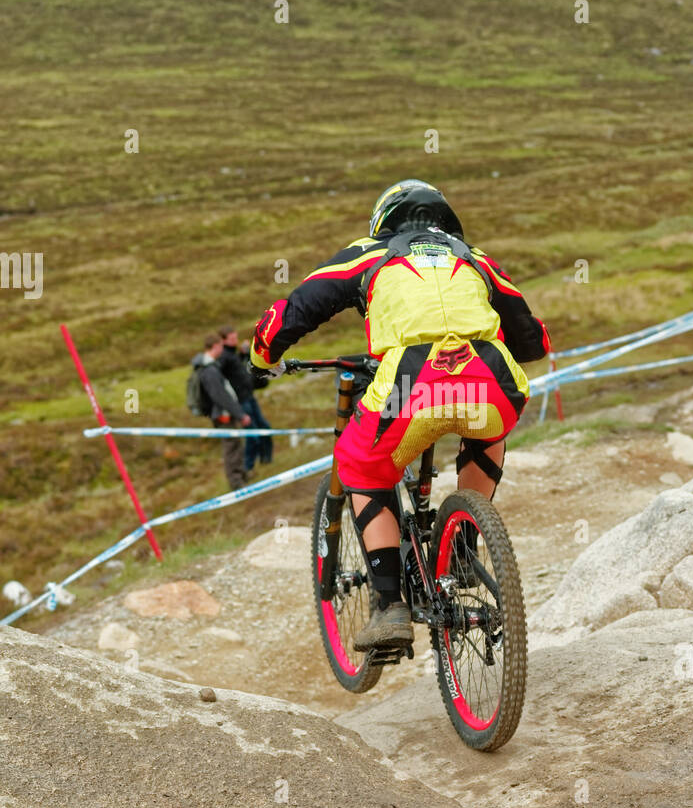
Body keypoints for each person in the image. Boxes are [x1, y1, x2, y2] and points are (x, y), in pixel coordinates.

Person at [249, 179, 550, 651]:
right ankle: (464, 547)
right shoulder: (476, 258)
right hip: (493, 375)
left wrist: (261, 360)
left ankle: (390, 605)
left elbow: (295, 310)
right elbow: (532, 342)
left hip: (412, 380)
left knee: (359, 463)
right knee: (490, 426)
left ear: (384, 219)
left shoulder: (370, 254)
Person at [198, 333, 251, 490]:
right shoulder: (209, 371)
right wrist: (240, 414)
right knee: (231, 447)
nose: (223, 349)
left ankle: (241, 475)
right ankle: (236, 482)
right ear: (215, 347)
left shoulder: (211, 366)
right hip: (222, 415)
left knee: (235, 445)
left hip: (225, 414)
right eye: (221, 346)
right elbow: (221, 396)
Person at [219, 324, 273, 474]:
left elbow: (235, 364)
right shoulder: (223, 358)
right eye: (232, 339)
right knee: (252, 435)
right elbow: (220, 373)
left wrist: (243, 353)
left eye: (235, 337)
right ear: (223, 341)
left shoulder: (232, 355)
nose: (235, 341)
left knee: (264, 427)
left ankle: (266, 459)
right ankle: (248, 467)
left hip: (249, 397)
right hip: (241, 402)